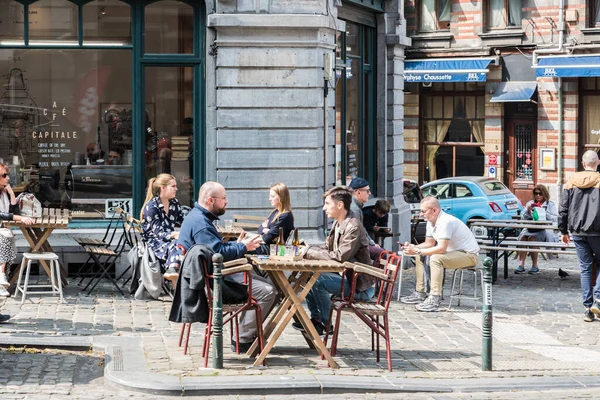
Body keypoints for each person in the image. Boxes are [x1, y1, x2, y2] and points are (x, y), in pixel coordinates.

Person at [177, 182, 276, 352]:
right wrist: (243, 247)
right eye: (223, 198)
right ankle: (243, 339)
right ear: (210, 200)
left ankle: (246, 334)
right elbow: (217, 255)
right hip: (215, 282)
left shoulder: (196, 216)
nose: (227, 201)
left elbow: (214, 251)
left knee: (273, 286)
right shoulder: (201, 223)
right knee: (269, 291)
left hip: (212, 276)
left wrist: (238, 246)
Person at [293, 186, 374, 335]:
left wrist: (309, 252)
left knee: (318, 281)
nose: (324, 208)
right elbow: (326, 248)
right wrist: (309, 248)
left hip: (360, 287)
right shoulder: (338, 223)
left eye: (327, 204)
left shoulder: (353, 226)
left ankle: (326, 324)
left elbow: (339, 256)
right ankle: (316, 321)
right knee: (309, 276)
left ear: (340, 205)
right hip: (347, 279)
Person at [400, 196, 480, 312]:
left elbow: (441, 249)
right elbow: (429, 243)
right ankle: (420, 292)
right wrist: (413, 247)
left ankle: (434, 297)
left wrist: (417, 250)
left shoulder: (445, 222)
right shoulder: (431, 221)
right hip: (454, 253)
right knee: (419, 255)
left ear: (434, 210)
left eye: (423, 211)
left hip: (469, 255)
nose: (421, 214)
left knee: (436, 258)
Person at [558, 150, 600, 322]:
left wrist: (563, 231)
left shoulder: (571, 182)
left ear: (583, 163)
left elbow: (563, 209)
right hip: (598, 231)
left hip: (577, 232)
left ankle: (587, 309)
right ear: (598, 162)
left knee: (585, 268)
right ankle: (597, 299)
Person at [140, 174, 184, 284]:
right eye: (173, 186)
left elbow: (184, 220)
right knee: (176, 244)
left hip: (169, 241)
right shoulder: (151, 207)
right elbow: (159, 234)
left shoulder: (174, 203)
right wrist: (174, 234)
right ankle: (172, 271)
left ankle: (173, 274)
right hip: (154, 242)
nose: (176, 189)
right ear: (163, 188)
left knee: (186, 245)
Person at [0, 162, 34, 297]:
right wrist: (20, 219)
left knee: (6, 237)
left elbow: (14, 211)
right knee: (4, 238)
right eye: (4, 175)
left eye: (7, 175)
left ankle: (1, 280)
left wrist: (11, 193)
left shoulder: (4, 193)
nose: (8, 178)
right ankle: (1, 279)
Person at [515, 184, 558, 275]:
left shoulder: (550, 204)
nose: (538, 195)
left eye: (540, 193)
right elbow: (523, 217)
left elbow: (555, 218)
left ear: (544, 194)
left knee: (532, 239)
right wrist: (528, 211)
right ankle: (521, 264)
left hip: (544, 229)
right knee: (523, 238)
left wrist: (543, 212)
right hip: (530, 228)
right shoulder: (530, 203)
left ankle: (535, 266)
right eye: (536, 193)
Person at [348, 177, 386, 264]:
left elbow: (361, 229)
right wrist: (371, 244)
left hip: (354, 244)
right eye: (367, 191)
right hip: (354, 246)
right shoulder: (354, 209)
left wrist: (372, 243)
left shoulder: (355, 206)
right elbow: (359, 231)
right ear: (358, 192)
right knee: (381, 253)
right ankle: (375, 277)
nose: (370, 193)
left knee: (379, 251)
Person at [256, 182, 294, 254]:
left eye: (272, 196)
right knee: (237, 243)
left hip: (271, 250)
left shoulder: (285, 217)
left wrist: (265, 230)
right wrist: (266, 230)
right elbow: (259, 228)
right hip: (264, 246)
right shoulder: (275, 212)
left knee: (242, 248)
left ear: (281, 197)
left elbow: (267, 239)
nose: (269, 199)